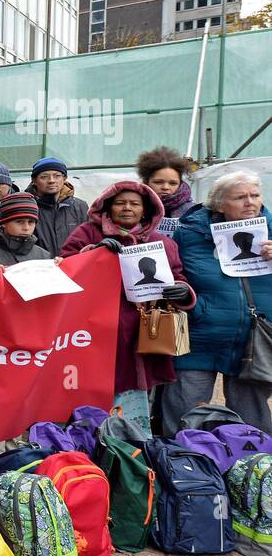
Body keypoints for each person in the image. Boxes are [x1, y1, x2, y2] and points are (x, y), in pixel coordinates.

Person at [60, 181, 195, 433]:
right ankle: (88, 443)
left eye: (134, 203)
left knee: (136, 392)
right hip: (94, 331)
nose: (127, 208)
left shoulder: (162, 242)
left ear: (145, 210)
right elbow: (66, 267)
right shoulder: (87, 233)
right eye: (120, 203)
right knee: (90, 390)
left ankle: (131, 447)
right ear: (108, 207)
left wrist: (182, 291)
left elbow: (178, 276)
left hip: (144, 333)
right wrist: (93, 253)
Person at [160, 171, 272, 434]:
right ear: (220, 204)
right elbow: (174, 275)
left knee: (253, 421)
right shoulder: (189, 234)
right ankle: (182, 467)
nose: (250, 202)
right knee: (184, 415)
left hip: (255, 341)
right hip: (200, 337)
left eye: (255, 196)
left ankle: (254, 471)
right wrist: (193, 305)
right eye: (240, 197)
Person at [27, 157, 88, 255]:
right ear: (34, 180)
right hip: (38, 267)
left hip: (73, 266)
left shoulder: (80, 206)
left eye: (57, 176)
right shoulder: (26, 206)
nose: (51, 181)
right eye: (44, 177)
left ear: (64, 178)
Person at [0, 192, 59, 267]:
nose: (26, 228)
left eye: (31, 222)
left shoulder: (44, 255)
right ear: (3, 223)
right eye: (19, 222)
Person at [136, 146, 198, 236]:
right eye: (158, 182)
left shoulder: (194, 212)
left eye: (172, 183)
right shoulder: (134, 207)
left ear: (180, 183)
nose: (165, 187)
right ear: (147, 182)